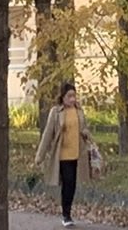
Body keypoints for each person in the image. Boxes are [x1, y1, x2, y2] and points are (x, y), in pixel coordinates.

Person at [34, 82, 89, 227]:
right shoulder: (56, 112)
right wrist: (40, 156)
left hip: (78, 153)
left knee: (72, 185)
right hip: (63, 155)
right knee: (68, 182)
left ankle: (68, 211)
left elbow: (84, 129)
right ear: (63, 97)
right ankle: (66, 214)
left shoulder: (79, 111)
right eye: (69, 96)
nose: (72, 99)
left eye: (74, 96)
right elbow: (47, 134)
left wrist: (86, 134)